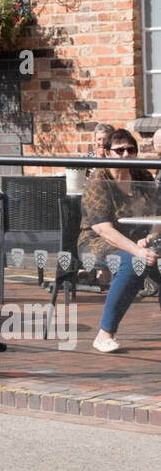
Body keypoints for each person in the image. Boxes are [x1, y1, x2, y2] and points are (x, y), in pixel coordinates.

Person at [77, 128, 161, 353]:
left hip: (138, 239)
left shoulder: (142, 176)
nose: (126, 155)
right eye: (120, 150)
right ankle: (105, 333)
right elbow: (103, 229)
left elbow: (157, 214)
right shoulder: (99, 180)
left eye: (131, 150)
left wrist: (150, 237)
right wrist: (137, 250)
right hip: (96, 241)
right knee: (135, 263)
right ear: (107, 153)